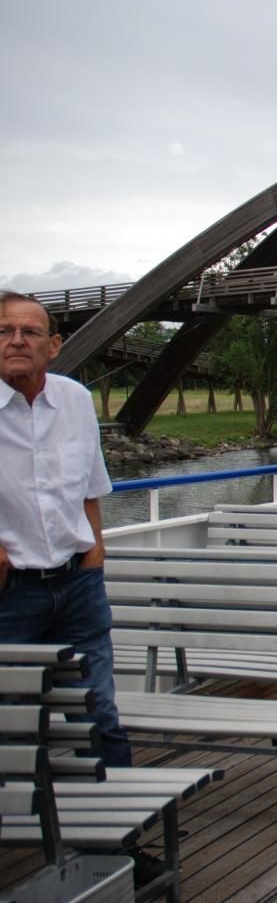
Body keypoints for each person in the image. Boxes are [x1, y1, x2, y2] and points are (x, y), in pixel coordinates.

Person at [0, 291, 130, 767]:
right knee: (12, 725)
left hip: (78, 585)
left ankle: (121, 835)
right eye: (4, 331)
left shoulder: (74, 400)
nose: (16, 341)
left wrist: (95, 552)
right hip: (10, 594)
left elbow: (89, 485)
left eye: (30, 332)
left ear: (53, 346)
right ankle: (30, 837)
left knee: (99, 713)